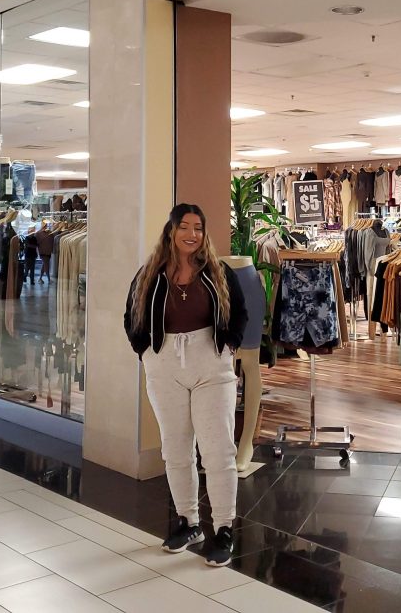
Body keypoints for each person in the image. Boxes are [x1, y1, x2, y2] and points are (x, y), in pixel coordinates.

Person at [125, 203, 248, 567]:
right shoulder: (150, 273)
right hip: (165, 365)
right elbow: (131, 315)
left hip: (210, 362)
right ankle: (188, 522)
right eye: (184, 227)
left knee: (218, 450)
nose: (192, 234)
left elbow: (240, 312)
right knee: (175, 449)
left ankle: (223, 528)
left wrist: (229, 345)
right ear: (171, 231)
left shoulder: (218, 271)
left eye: (198, 227)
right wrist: (145, 352)